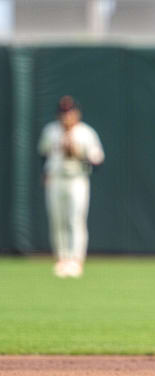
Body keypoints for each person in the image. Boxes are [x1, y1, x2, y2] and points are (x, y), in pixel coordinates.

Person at [38, 96, 105, 278]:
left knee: (75, 220)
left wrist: (78, 154)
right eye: (63, 113)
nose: (66, 116)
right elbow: (43, 154)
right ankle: (62, 259)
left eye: (69, 112)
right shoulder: (51, 131)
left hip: (77, 179)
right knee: (57, 220)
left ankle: (76, 260)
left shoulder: (86, 133)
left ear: (77, 113)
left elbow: (98, 162)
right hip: (56, 179)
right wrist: (45, 174)